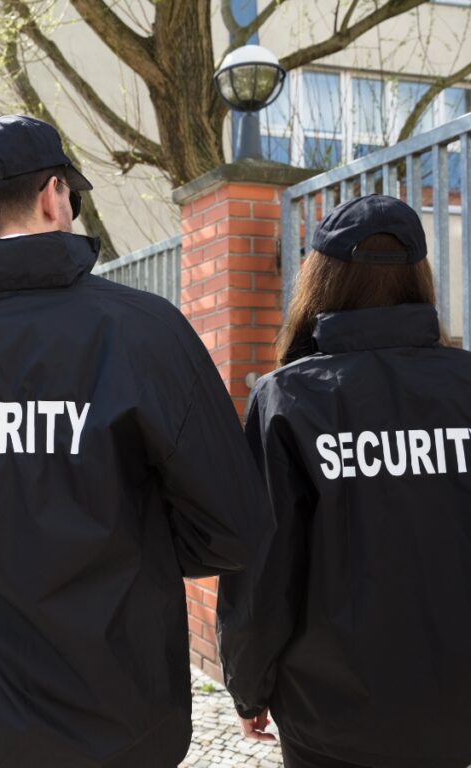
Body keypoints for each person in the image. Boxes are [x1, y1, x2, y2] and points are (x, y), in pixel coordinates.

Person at [0, 114, 269, 767]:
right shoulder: (144, 332)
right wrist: (133, 544)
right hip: (111, 708)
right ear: (55, 196)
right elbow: (236, 525)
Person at [217, 195, 471, 768]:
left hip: (332, 712)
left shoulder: (289, 397)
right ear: (419, 277)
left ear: (319, 280)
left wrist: (248, 684)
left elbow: (262, 569)